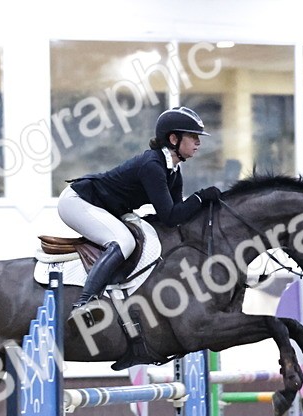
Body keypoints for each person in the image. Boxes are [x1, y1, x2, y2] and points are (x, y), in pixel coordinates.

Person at [57, 106, 224, 321]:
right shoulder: (153, 165)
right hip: (77, 202)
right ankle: (84, 303)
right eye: (193, 137)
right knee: (124, 241)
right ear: (174, 139)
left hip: (103, 206)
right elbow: (171, 215)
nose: (198, 143)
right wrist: (200, 197)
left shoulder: (172, 171)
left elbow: (174, 217)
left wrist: (203, 205)